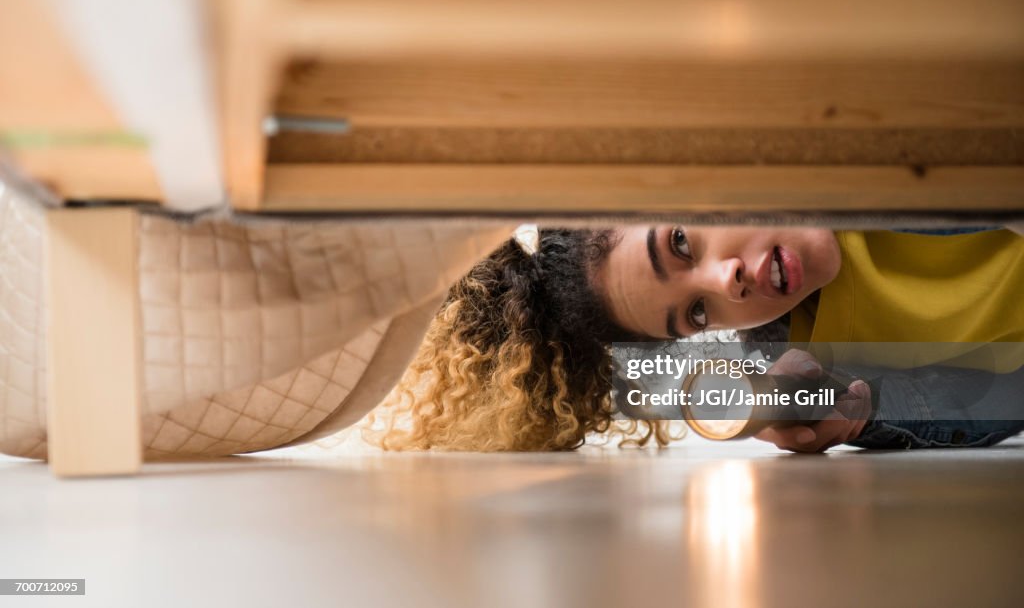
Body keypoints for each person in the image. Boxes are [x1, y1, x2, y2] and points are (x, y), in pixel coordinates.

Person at [370, 225, 1024, 453]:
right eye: (698, 315)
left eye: (680, 243)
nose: (727, 282)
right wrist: (874, 413)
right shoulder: (809, 357)